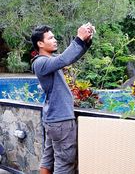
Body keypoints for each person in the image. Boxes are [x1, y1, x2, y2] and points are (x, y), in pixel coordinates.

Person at [31, 23, 94, 174]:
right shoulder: (41, 62)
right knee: (64, 164)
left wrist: (86, 42)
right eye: (50, 38)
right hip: (60, 121)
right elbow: (64, 60)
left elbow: (69, 58)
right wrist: (79, 38)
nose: (55, 40)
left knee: (48, 159)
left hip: (54, 120)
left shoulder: (48, 62)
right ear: (40, 43)